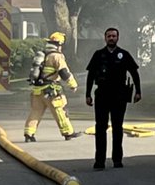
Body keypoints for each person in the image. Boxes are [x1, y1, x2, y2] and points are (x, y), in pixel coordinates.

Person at [84, 27, 142, 170]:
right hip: (102, 95)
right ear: (105, 38)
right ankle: (99, 161)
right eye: (109, 36)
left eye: (114, 36)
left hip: (119, 95)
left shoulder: (124, 54)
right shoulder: (98, 55)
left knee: (117, 128)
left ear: (118, 38)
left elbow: (134, 73)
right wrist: (88, 94)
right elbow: (90, 76)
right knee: (100, 128)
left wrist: (138, 91)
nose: (111, 38)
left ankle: (117, 160)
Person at [24, 31, 82, 142]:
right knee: (60, 111)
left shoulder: (42, 54)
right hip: (51, 91)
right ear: (59, 44)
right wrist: (73, 84)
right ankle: (68, 133)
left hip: (37, 91)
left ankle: (28, 134)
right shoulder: (56, 56)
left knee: (35, 112)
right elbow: (64, 72)